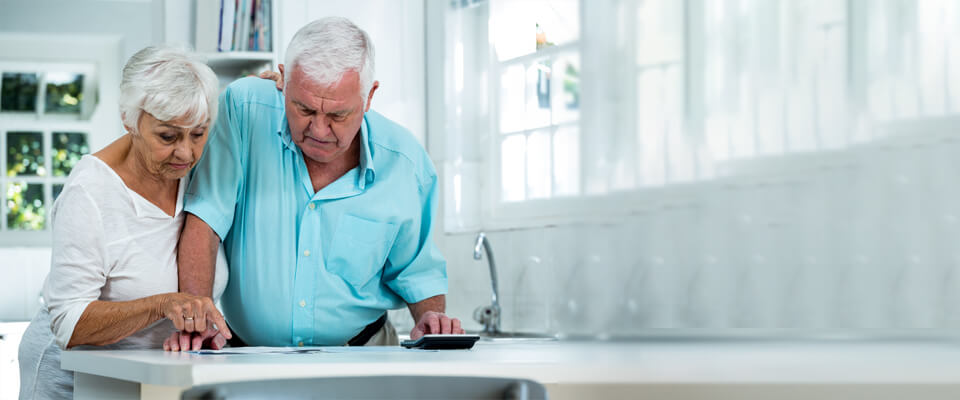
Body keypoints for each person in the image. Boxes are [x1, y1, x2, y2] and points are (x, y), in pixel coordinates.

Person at [171, 16, 462, 350]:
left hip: (362, 353)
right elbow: (203, 222)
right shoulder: (244, 110)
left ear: (369, 97)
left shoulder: (405, 162)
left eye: (338, 116)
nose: (319, 130)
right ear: (282, 79)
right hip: (245, 352)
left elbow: (417, 269)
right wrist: (197, 317)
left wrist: (430, 317)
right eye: (304, 109)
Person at [17, 46, 231, 399]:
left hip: (149, 378)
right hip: (70, 379)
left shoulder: (199, 174)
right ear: (130, 119)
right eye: (167, 136)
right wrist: (163, 304)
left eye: (198, 134)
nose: (186, 153)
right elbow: (68, 323)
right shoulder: (90, 192)